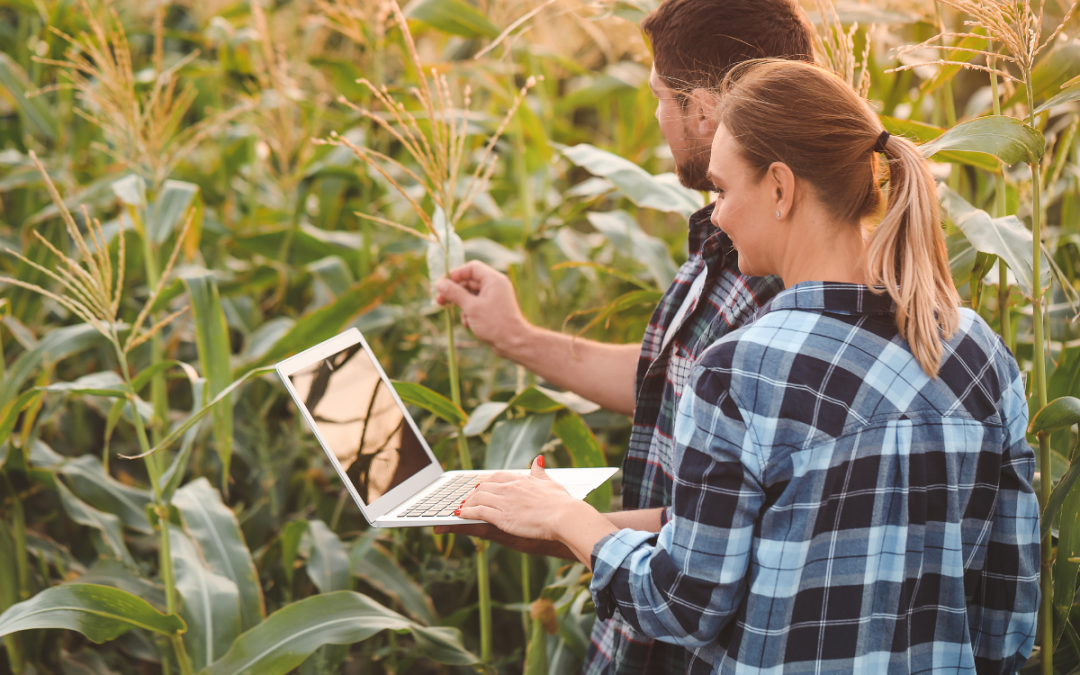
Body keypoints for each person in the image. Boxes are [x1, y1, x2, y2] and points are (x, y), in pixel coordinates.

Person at [455, 59, 1040, 674]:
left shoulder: (741, 370)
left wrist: (565, 517)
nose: (718, 215)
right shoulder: (979, 352)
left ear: (781, 189)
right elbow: (1006, 615)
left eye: (723, 190)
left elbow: (683, 605)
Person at [435, 1, 814, 672]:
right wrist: (516, 336)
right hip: (642, 626)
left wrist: (551, 520)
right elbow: (669, 387)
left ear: (702, 109)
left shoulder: (782, 277)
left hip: (692, 641)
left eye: (659, 99)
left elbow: (725, 534)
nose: (657, 119)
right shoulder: (727, 235)